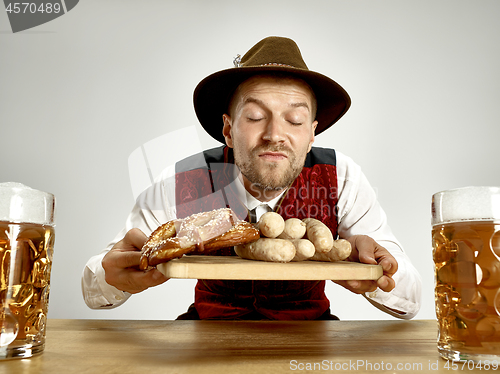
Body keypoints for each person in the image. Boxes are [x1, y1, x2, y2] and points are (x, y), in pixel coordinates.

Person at [82, 36, 421, 320]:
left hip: (313, 343)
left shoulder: (341, 177)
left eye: (295, 119)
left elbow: (411, 300)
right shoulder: (183, 179)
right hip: (204, 340)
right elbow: (94, 289)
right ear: (228, 130)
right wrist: (114, 276)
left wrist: (375, 271)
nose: (275, 134)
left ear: (312, 133)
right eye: (256, 116)